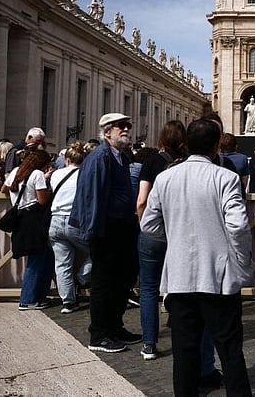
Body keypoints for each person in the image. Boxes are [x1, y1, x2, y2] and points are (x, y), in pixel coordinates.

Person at [140, 119, 253, 396]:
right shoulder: (225, 177)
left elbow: (148, 224)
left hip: (179, 278)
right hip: (219, 278)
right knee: (229, 351)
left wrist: (174, 238)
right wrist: (240, 260)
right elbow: (237, 226)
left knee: (184, 353)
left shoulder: (165, 178)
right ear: (216, 147)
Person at [70, 113, 142, 353]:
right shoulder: (100, 157)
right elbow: (91, 196)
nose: (126, 129)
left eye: (127, 126)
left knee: (122, 279)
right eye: (121, 126)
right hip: (105, 231)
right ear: (107, 131)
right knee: (103, 282)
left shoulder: (119, 156)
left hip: (122, 229)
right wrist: (94, 231)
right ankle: (98, 334)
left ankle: (115, 326)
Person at [135, 121, 188, 361]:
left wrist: (144, 226)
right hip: (180, 232)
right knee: (179, 286)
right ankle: (182, 336)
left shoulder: (153, 161)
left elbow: (141, 201)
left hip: (154, 233)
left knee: (148, 289)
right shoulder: (188, 162)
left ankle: (149, 344)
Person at [2, 146, 53, 310]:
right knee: (36, 258)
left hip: (20, 219)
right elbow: (42, 200)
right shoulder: (37, 174)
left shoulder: (16, 171)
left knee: (41, 257)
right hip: (33, 219)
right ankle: (28, 299)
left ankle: (38, 296)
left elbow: (4, 189)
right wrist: (47, 184)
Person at [49, 141, 93, 314]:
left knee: (62, 263)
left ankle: (68, 302)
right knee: (98, 251)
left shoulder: (56, 174)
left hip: (55, 220)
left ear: (67, 160)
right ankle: (81, 278)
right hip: (75, 221)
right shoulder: (85, 174)